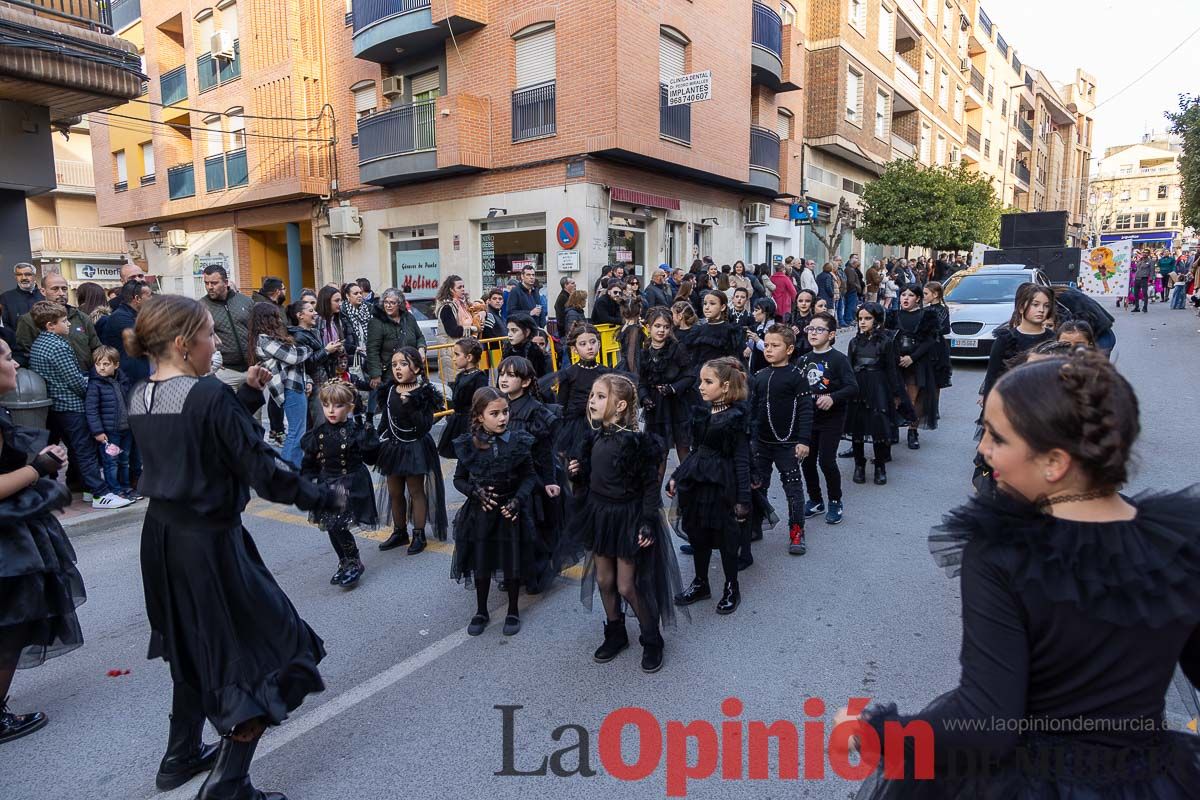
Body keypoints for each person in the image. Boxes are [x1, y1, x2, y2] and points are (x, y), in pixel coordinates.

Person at [843, 349, 1200, 799]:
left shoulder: (1003, 553)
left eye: (997, 438)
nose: (982, 449)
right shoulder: (1182, 544)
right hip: (1149, 779)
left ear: (1054, 462)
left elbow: (987, 720)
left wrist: (880, 734)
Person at [124, 294, 341, 798]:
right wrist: (320, 495)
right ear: (182, 344)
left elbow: (192, 437)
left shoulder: (140, 394)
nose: (215, 343)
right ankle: (229, 784)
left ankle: (179, 755)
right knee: (270, 654)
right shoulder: (206, 396)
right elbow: (262, 471)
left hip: (162, 539)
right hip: (208, 544)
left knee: (195, 646)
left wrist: (242, 394)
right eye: (208, 334)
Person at [560, 374, 683, 673]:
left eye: (601, 397)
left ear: (620, 406)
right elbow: (589, 479)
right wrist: (576, 473)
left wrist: (646, 523)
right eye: (592, 395)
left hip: (628, 518)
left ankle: (651, 638)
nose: (592, 401)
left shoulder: (636, 443)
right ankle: (615, 633)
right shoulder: (593, 438)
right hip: (600, 515)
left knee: (627, 585)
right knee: (604, 580)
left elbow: (649, 487)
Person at [0, 337, 81, 745]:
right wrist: (39, 468)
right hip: (5, 542)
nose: (16, 365)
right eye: (8, 358)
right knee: (11, 624)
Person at [450, 388, 537, 637]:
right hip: (480, 513)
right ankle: (481, 610)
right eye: (495, 413)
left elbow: (529, 477)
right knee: (481, 563)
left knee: (511, 562)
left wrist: (518, 500)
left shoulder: (519, 441)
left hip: (510, 513)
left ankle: (512, 609)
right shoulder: (469, 444)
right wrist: (474, 492)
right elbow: (458, 479)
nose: (502, 418)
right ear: (479, 416)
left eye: (506, 412)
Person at [28, 302, 131, 510]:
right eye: (64, 321)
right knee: (85, 451)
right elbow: (74, 381)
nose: (68, 324)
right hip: (71, 405)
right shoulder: (58, 345)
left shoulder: (39, 343)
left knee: (78, 450)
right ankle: (100, 494)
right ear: (50, 325)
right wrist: (95, 385)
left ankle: (88, 488)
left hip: (57, 406)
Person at [669, 357, 751, 615]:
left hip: (722, 483)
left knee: (726, 538)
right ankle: (701, 582)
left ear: (725, 387)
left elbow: (741, 459)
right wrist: (678, 474)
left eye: (708, 382)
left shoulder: (736, 417)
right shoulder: (702, 412)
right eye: (700, 381)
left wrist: (743, 498)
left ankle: (731, 586)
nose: (701, 387)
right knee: (698, 533)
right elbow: (695, 450)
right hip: (697, 480)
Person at [300, 380, 379, 589]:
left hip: (351, 482)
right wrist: (306, 481)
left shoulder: (355, 431)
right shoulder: (318, 433)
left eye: (338, 406)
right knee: (330, 525)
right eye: (326, 405)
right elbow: (310, 461)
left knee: (337, 523)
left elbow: (371, 458)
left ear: (350, 407)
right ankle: (344, 561)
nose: (331, 411)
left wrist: (368, 437)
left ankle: (354, 560)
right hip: (328, 482)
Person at [497, 356, 563, 594]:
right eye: (502, 374)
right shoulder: (498, 404)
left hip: (531, 479)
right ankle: (513, 571)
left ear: (525, 382)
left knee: (532, 529)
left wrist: (549, 481)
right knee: (508, 529)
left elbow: (545, 451)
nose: (504, 379)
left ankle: (534, 573)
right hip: (505, 479)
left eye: (511, 375)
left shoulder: (535, 411)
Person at [374, 347, 448, 554]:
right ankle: (399, 532)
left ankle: (419, 533)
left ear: (416, 368)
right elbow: (386, 421)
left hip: (415, 446)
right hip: (393, 447)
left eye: (403, 364)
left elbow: (424, 425)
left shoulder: (422, 393)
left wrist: (410, 405)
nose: (398, 368)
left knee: (416, 491)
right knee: (395, 492)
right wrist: (376, 441)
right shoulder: (389, 390)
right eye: (394, 364)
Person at [749, 325, 812, 556]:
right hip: (761, 443)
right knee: (757, 486)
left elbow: (806, 410)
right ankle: (755, 526)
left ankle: (797, 531)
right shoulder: (759, 376)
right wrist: (750, 440)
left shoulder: (797, 377)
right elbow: (752, 410)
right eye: (767, 345)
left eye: (775, 346)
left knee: (793, 488)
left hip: (788, 443)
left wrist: (803, 440)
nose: (769, 349)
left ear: (789, 349)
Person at [797, 311, 857, 526]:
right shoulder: (803, 359)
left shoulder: (838, 359)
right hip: (807, 418)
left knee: (826, 461)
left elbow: (852, 387)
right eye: (810, 328)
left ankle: (835, 500)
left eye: (819, 329)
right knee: (807, 460)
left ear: (831, 335)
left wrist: (833, 397)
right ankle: (815, 500)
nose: (813, 333)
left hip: (832, 418)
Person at [844, 303, 905, 486]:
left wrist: (895, 393)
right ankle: (859, 464)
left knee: (878, 425)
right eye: (860, 319)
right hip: (858, 386)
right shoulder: (854, 342)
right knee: (857, 426)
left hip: (878, 387)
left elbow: (892, 370)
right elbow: (849, 366)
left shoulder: (886, 341)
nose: (863, 322)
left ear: (877, 320)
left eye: (867, 318)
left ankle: (880, 466)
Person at [253, 302, 313, 468]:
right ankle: (289, 471)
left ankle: (294, 470)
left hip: (295, 384)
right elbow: (293, 357)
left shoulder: (271, 338)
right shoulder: (264, 340)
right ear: (266, 319)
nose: (279, 319)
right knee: (296, 431)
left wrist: (307, 380)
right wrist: (308, 349)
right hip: (289, 388)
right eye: (275, 316)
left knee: (298, 430)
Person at [639, 307, 694, 470]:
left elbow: (690, 376)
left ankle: (689, 490)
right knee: (658, 453)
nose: (661, 330)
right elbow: (641, 381)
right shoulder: (644, 353)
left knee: (683, 449)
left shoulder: (677, 349)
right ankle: (655, 494)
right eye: (657, 326)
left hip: (676, 404)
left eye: (665, 327)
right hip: (656, 407)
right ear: (648, 327)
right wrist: (644, 398)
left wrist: (672, 388)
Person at [980, 283, 1055, 400]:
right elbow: (992, 377)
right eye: (1035, 305)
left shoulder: (1053, 339)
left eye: (1046, 306)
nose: (1041, 310)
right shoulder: (1006, 340)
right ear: (1021, 308)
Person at [887, 284, 940, 448]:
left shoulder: (927, 315)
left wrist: (912, 357)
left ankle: (912, 431)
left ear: (917, 298)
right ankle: (892, 430)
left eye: (910, 295)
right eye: (903, 295)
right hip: (895, 361)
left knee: (913, 398)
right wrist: (896, 357)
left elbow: (930, 340)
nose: (905, 298)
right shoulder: (892, 315)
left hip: (917, 361)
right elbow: (886, 338)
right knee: (893, 397)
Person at [15, 271, 102, 370]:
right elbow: (26, 354)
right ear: (43, 291)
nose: (61, 293)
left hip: (86, 377)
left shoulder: (82, 317)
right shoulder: (29, 320)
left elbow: (96, 347)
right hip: (52, 380)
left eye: (64, 289)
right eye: (55, 289)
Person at [552, 323, 612, 463]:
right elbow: (562, 404)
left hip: (601, 424)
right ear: (574, 349)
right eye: (583, 344)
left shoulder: (606, 372)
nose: (589, 347)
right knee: (577, 465)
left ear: (599, 343)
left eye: (593, 342)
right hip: (576, 427)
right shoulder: (569, 373)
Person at [85, 345, 136, 501]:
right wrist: (98, 432)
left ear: (116, 365)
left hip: (126, 429)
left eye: (106, 364)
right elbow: (91, 410)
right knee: (111, 462)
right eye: (98, 364)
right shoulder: (95, 385)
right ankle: (115, 490)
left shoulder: (123, 380)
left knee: (124, 460)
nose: (101, 368)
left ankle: (126, 486)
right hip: (109, 432)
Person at [197, 266, 253, 391]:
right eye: (206, 283)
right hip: (225, 371)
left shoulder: (245, 301)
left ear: (226, 283)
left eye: (214, 283)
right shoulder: (201, 307)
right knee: (228, 410)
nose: (210, 287)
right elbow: (196, 337)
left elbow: (258, 330)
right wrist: (210, 359)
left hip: (251, 369)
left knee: (254, 409)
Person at [685, 292, 745, 407]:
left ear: (722, 307)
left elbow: (735, 358)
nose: (707, 307)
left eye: (712, 304)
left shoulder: (730, 331)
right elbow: (694, 357)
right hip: (700, 378)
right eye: (705, 303)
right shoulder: (698, 330)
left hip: (722, 379)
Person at [365, 288, 426, 390]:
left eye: (392, 303)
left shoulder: (408, 318)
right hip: (388, 374)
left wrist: (421, 348)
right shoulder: (376, 322)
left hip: (410, 372)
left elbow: (419, 336)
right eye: (386, 302)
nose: (388, 306)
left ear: (399, 304)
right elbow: (372, 350)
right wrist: (376, 375)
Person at [437, 338, 488, 459]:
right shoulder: (461, 375)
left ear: (469, 357)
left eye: (457, 354)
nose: (453, 358)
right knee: (459, 454)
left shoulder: (479, 377)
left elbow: (480, 401)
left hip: (469, 421)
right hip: (457, 421)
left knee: (469, 454)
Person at [98, 280, 152, 385]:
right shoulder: (120, 317)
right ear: (137, 298)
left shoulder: (136, 315)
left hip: (138, 373)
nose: (152, 299)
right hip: (129, 378)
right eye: (149, 296)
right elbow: (146, 343)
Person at [923, 281, 953, 391]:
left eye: (926, 294)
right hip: (927, 345)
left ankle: (933, 407)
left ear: (935, 294)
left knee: (936, 381)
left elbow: (946, 329)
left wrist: (932, 330)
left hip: (938, 347)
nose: (923, 296)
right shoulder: (925, 310)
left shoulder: (943, 309)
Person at [503, 313, 549, 378]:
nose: (509, 334)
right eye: (508, 330)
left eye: (514, 330)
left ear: (527, 332)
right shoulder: (508, 349)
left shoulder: (534, 351)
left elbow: (538, 378)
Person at [0, 262, 43, 330]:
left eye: (28, 274)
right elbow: (5, 324)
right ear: (15, 277)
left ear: (34, 276)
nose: (23, 278)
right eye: (19, 275)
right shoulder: (5, 298)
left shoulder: (44, 295)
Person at [435, 274, 480, 340]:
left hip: (466, 344)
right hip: (451, 347)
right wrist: (473, 329)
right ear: (451, 290)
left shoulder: (465, 303)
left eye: (463, 287)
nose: (463, 289)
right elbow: (453, 331)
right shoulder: (446, 308)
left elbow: (479, 307)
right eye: (459, 287)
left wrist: (483, 313)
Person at [745, 298, 776, 373]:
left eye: (756, 311)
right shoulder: (758, 327)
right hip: (755, 366)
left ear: (765, 312)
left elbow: (772, 350)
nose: (753, 313)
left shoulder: (774, 329)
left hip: (766, 368)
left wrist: (758, 340)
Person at [615, 297, 645, 376]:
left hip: (625, 365)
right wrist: (635, 376)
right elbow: (632, 355)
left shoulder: (625, 327)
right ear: (639, 311)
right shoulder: (634, 330)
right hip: (631, 368)